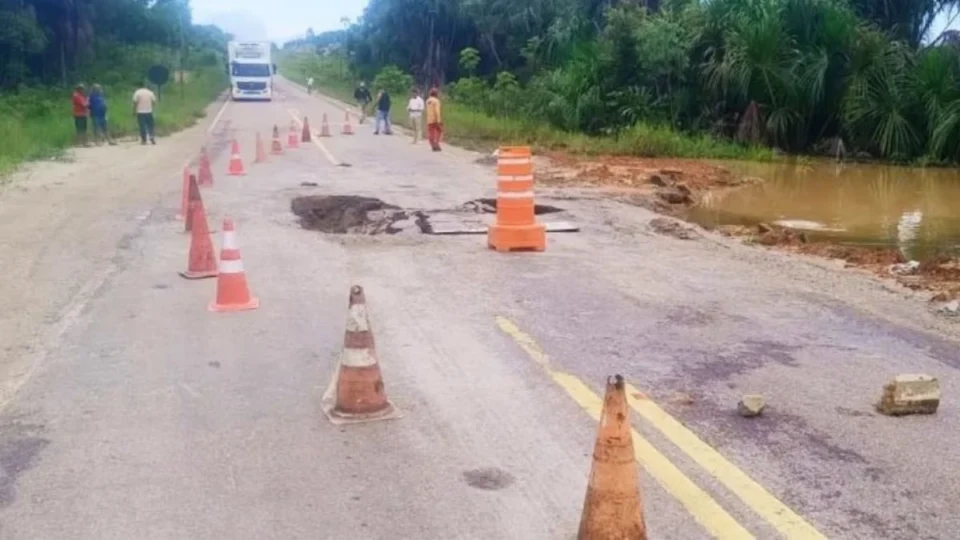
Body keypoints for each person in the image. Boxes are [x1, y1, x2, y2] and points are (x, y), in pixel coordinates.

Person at [426, 87, 443, 152]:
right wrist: (439, 120)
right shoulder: (436, 101)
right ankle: (436, 144)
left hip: (429, 119)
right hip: (435, 119)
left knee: (431, 133)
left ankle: (433, 145)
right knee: (439, 131)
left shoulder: (428, 101)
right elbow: (437, 111)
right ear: (436, 94)